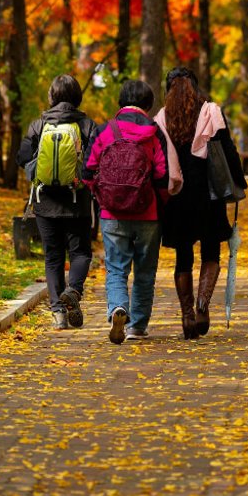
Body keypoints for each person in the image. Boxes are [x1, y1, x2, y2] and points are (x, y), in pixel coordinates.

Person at [157, 67, 247, 340]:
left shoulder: (162, 118)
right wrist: (238, 182)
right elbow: (227, 149)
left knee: (183, 255)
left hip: (178, 195)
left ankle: (186, 315)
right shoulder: (211, 112)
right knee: (211, 251)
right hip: (209, 193)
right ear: (196, 88)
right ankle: (202, 306)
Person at [83, 79, 169, 345]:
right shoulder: (155, 133)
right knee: (145, 272)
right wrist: (160, 202)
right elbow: (163, 174)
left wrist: (102, 196)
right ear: (148, 103)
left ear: (121, 101)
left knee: (116, 269)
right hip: (148, 214)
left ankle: (118, 307)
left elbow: (87, 171)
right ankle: (137, 326)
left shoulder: (105, 131)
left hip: (113, 214)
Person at [16, 75, 97, 330]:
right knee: (80, 253)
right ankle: (73, 290)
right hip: (77, 201)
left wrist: (36, 175)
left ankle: (58, 314)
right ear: (77, 97)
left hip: (45, 201)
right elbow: (94, 161)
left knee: (52, 258)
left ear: (52, 96)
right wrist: (82, 181)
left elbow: (22, 157)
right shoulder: (86, 125)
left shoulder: (38, 125)